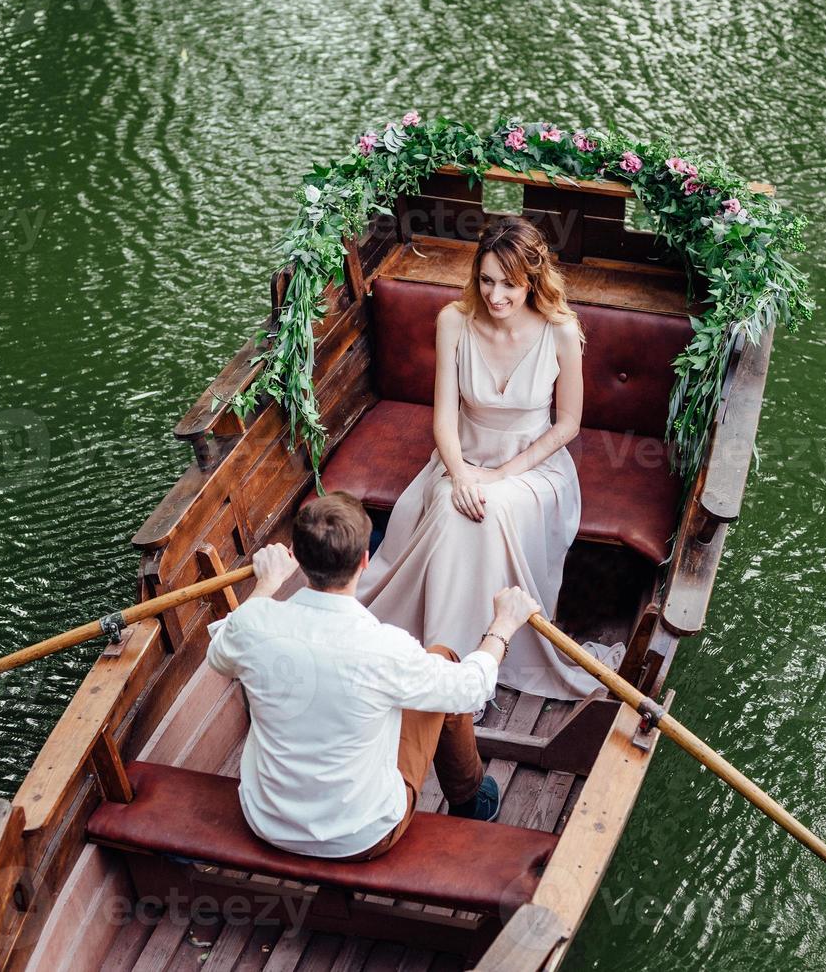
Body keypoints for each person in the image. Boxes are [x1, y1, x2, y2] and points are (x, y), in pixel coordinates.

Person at [206, 493, 541, 860]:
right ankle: (471, 799)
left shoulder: (253, 623)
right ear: (365, 560)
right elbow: (471, 688)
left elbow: (221, 653)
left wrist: (266, 585)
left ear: (298, 562)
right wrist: (503, 625)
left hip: (268, 822)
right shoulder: (386, 648)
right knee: (443, 661)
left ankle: (470, 794)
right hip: (360, 837)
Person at [356, 214, 604, 702]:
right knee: (454, 505)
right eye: (487, 281)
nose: (496, 297)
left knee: (488, 512)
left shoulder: (561, 331)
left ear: (533, 279)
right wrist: (461, 473)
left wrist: (502, 475)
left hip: (534, 470)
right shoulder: (453, 321)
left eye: (510, 285)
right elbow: (444, 421)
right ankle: (442, 660)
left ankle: (464, 668)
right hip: (461, 456)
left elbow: (567, 424)